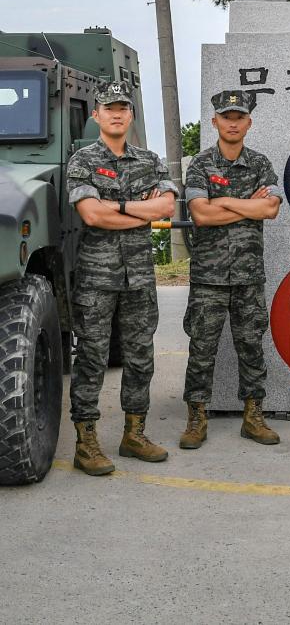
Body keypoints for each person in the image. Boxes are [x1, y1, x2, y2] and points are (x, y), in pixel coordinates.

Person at [66, 80, 177, 476]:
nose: (116, 113)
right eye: (108, 107)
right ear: (95, 114)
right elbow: (91, 215)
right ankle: (87, 442)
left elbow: (165, 207)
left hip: (139, 279)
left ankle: (134, 434)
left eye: (122, 108)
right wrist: (138, 209)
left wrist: (117, 205)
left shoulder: (149, 160)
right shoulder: (82, 161)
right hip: (97, 279)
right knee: (92, 360)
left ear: (130, 115)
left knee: (140, 358)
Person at [180, 89, 282, 449]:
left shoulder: (261, 164)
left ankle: (253, 417)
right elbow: (201, 214)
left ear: (248, 122)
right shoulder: (200, 164)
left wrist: (221, 200)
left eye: (239, 116)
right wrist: (242, 204)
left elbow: (270, 209)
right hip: (208, 277)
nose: (233, 122)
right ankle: (196, 418)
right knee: (202, 349)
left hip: (249, 275)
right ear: (215, 122)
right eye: (227, 116)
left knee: (252, 346)